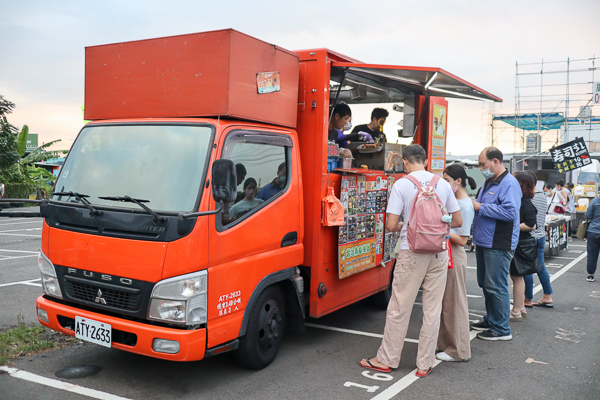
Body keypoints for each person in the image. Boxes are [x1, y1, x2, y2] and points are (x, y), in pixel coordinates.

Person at [359, 144, 462, 377]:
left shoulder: (402, 184)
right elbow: (456, 221)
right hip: (439, 252)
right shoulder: (443, 184)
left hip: (411, 251)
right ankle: (424, 364)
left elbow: (391, 224)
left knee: (399, 307)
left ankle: (387, 359)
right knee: (432, 310)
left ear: (404, 162)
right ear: (425, 161)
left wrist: (407, 226)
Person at [471, 147, 521, 341]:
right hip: (485, 241)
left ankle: (501, 329)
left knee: (496, 285)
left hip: (498, 242)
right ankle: (492, 320)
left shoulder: (509, 183)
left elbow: (510, 213)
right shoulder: (489, 181)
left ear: (496, 162)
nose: (481, 168)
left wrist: (480, 206)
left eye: (483, 164)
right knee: (486, 283)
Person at [436, 164, 476, 362]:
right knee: (447, 302)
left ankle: (458, 350)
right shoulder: (456, 201)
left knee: (455, 302)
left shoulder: (465, 205)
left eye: (446, 180)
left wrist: (440, 228)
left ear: (457, 181)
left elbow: (462, 240)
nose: (444, 183)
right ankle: (446, 345)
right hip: (449, 253)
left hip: (456, 253)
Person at [508, 172, 538, 322]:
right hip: (522, 242)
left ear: (520, 184)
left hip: (520, 243)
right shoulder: (524, 201)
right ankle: (521, 308)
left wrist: (511, 226)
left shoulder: (524, 203)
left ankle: (516, 311)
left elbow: (531, 225)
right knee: (518, 277)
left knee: (516, 277)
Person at [524, 171, 554, 309]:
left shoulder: (529, 198)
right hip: (541, 235)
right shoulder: (542, 196)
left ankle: (527, 298)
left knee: (526, 269)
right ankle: (547, 295)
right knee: (541, 267)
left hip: (530, 237)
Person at [584, 195, 600, 282]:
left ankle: (590, 275)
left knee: (592, 254)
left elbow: (588, 215)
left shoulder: (594, 201)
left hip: (594, 231)